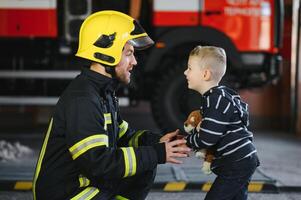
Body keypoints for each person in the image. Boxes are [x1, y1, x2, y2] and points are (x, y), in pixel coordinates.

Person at [32, 10, 190, 200]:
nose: (135, 62)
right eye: (129, 54)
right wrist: (156, 153)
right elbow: (97, 163)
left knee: (145, 166)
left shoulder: (102, 92)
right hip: (68, 193)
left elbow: (124, 137)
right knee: (147, 159)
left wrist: (159, 142)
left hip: (84, 185)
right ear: (107, 54)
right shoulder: (83, 99)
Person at [184, 45, 260, 200]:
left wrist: (188, 141)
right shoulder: (216, 97)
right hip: (241, 160)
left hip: (237, 162)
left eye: (190, 68)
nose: (185, 72)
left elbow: (207, 137)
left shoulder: (215, 100)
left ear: (205, 74)